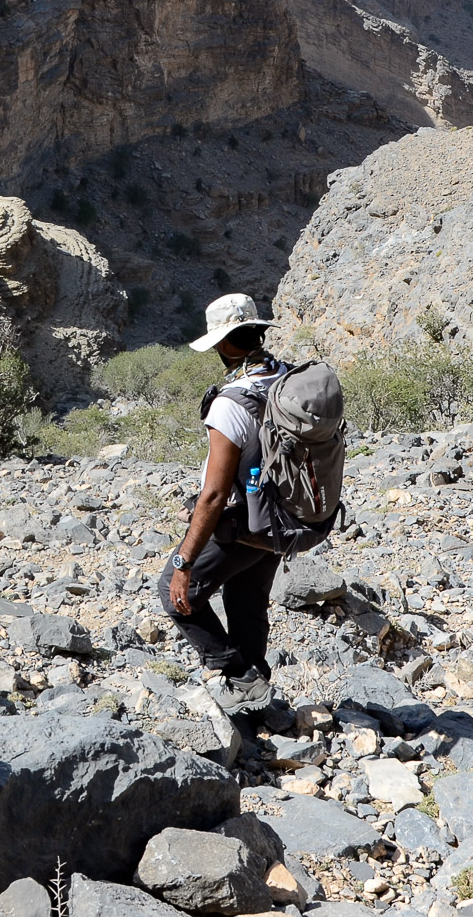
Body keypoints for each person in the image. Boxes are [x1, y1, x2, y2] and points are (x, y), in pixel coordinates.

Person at [158, 293, 286, 714]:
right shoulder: (283, 378)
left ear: (225, 342)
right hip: (280, 520)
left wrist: (184, 563)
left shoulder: (231, 402)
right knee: (246, 603)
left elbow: (214, 495)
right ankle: (261, 700)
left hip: (242, 524)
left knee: (177, 593)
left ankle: (239, 676)